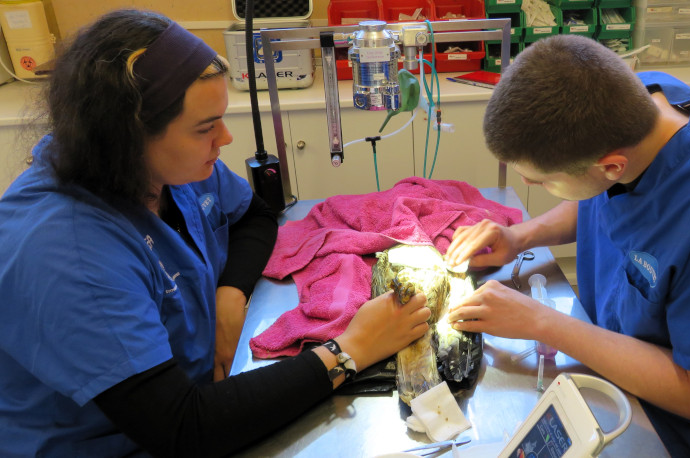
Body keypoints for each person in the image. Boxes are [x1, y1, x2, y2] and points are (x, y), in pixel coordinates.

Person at [0, 9, 430, 457]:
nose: (224, 138)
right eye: (206, 128)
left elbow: (254, 216)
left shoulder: (163, 166)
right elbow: (184, 429)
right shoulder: (69, 254)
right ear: (128, 134)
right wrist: (350, 349)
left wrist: (230, 295)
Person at [445, 34, 690, 457]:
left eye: (540, 180)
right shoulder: (636, 103)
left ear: (612, 163)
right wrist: (521, 236)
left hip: (683, 433)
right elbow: (602, 197)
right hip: (608, 372)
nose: (528, 185)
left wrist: (542, 322)